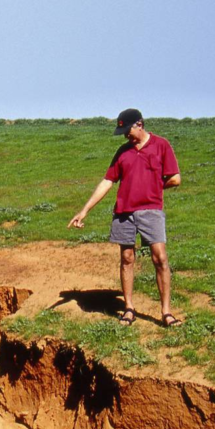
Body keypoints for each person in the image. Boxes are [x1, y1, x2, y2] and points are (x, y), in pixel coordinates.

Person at [68, 108, 183, 327]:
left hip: (151, 211)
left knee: (160, 258)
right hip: (123, 213)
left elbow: (175, 178)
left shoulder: (161, 145)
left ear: (139, 124)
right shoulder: (123, 152)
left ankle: (166, 313)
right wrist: (84, 210)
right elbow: (107, 182)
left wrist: (154, 187)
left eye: (127, 130)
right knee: (127, 258)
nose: (125, 135)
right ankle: (128, 309)